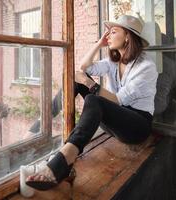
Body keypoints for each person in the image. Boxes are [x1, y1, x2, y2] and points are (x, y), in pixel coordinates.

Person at [26, 15, 158, 191]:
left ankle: (66, 157)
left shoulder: (146, 67)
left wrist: (91, 84)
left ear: (127, 36)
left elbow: (119, 100)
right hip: (115, 122)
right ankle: (38, 128)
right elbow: (84, 68)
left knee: (92, 96)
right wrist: (98, 44)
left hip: (136, 127)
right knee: (78, 80)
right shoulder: (114, 61)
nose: (108, 36)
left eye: (113, 32)